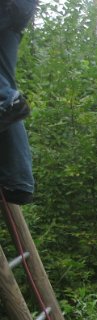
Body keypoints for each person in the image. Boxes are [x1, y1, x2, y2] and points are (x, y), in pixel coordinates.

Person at [0, 0, 36, 205]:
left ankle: (6, 99)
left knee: (7, 100)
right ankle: (18, 180)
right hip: (19, 8)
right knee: (4, 81)